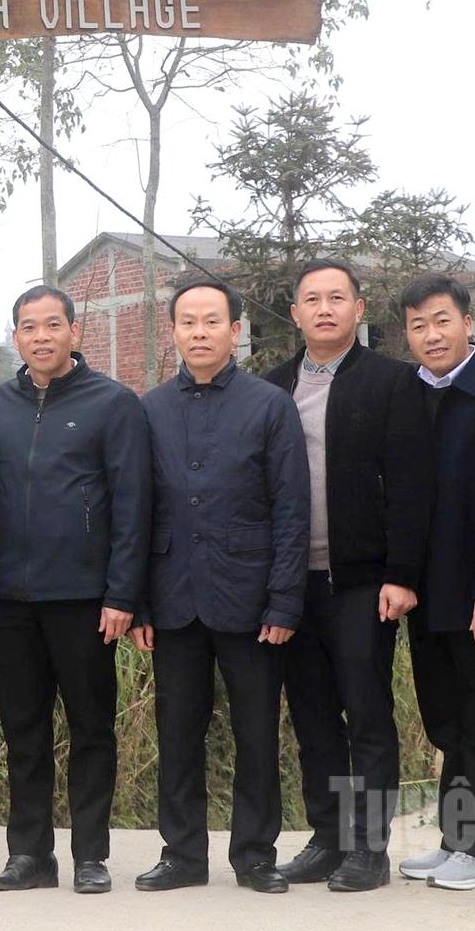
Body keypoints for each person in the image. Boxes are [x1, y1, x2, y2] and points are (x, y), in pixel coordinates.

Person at [0, 285, 151, 896]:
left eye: (53, 324)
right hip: (11, 600)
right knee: (23, 733)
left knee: (91, 729)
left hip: (85, 600)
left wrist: (122, 595)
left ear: (75, 331)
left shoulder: (112, 403)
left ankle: (90, 856)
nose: (41, 336)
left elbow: (132, 506)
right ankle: (29, 855)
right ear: (16, 337)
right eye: (29, 327)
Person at [134, 278, 307, 896]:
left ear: (235, 330)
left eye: (212, 321)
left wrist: (284, 600)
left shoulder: (269, 405)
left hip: (251, 600)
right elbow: (138, 510)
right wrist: (138, 602)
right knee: (178, 734)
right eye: (188, 322)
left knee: (256, 733)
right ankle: (181, 854)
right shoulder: (150, 408)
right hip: (173, 598)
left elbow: (291, 509)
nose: (200, 333)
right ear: (174, 331)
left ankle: (255, 855)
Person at [266, 258, 433, 894]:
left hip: (363, 582)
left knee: (366, 713)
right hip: (293, 583)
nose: (325, 308)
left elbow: (413, 484)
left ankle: (369, 847)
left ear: (359, 309)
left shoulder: (392, 382)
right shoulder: (273, 387)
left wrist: (403, 573)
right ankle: (329, 837)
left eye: (337, 297)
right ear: (296, 314)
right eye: (312, 299)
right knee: (312, 716)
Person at [392, 275, 475, 891]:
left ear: (468, 323)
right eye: (418, 325)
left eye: (442, 321)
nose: (432, 335)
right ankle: (454, 841)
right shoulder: (411, 395)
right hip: (430, 595)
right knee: (447, 721)